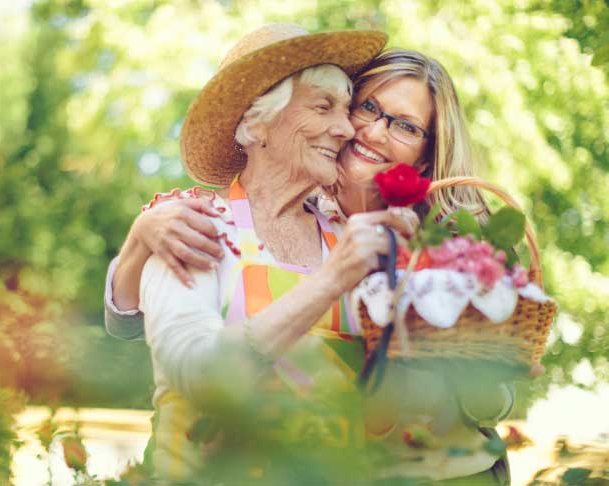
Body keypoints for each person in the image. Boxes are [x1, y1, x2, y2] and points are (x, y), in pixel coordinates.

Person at [108, 30, 509, 483]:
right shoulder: (196, 224)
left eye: (404, 124)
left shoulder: (364, 234)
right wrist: (140, 241)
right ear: (259, 119)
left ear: (423, 157)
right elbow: (185, 366)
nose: (352, 129)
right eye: (339, 107)